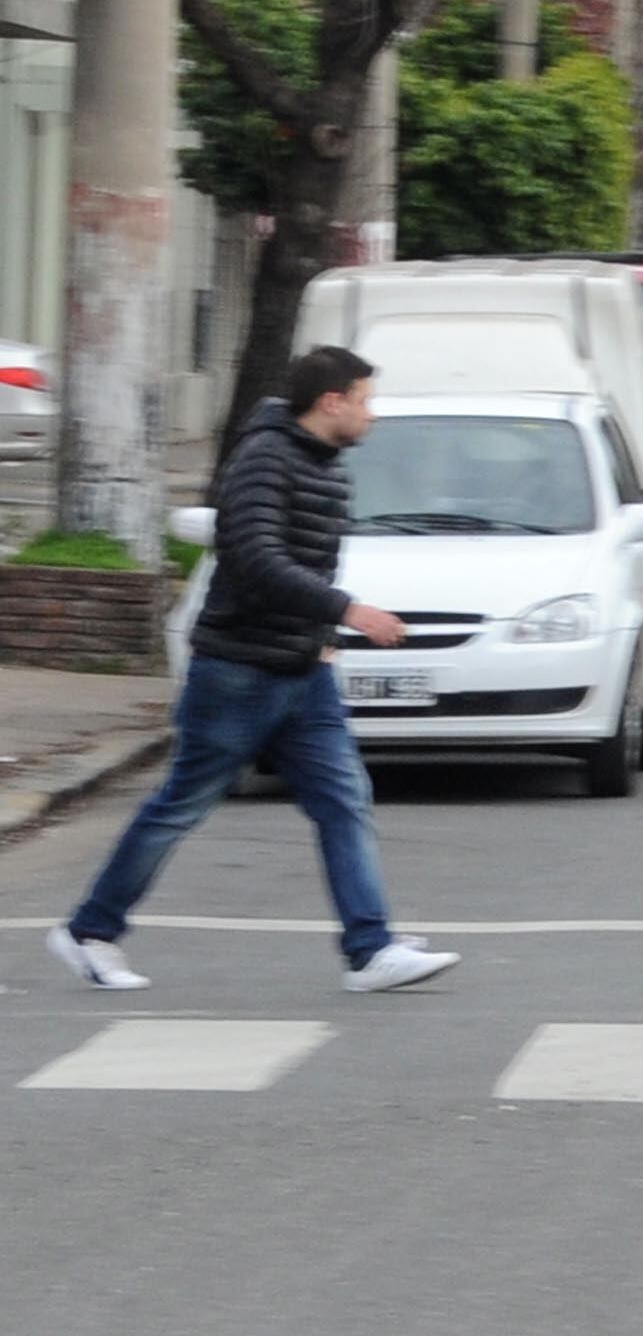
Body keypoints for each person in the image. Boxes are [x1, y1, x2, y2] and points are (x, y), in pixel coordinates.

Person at [49, 347, 459, 995]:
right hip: (237, 671)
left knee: (343, 800)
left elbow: (304, 564)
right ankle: (89, 931)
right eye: (364, 400)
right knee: (179, 807)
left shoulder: (324, 466)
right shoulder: (266, 459)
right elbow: (255, 557)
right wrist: (347, 612)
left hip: (300, 669)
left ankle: (370, 947)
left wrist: (321, 634)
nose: (370, 415)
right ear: (331, 403)